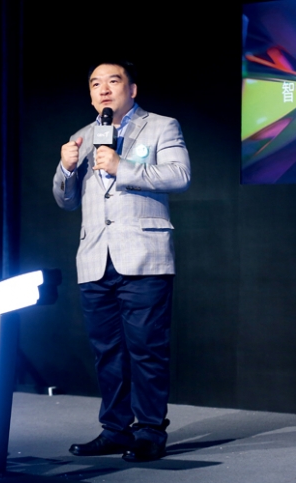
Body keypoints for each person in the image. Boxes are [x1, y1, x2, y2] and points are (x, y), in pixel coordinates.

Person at [52, 60, 190, 461]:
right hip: (95, 257)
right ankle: (116, 429)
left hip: (143, 255)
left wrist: (121, 167)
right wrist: (66, 168)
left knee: (146, 348)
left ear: (132, 89)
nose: (103, 89)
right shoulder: (81, 137)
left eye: (113, 81)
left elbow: (179, 175)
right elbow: (65, 200)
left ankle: (149, 431)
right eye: (95, 84)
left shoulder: (161, 126)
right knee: (107, 351)